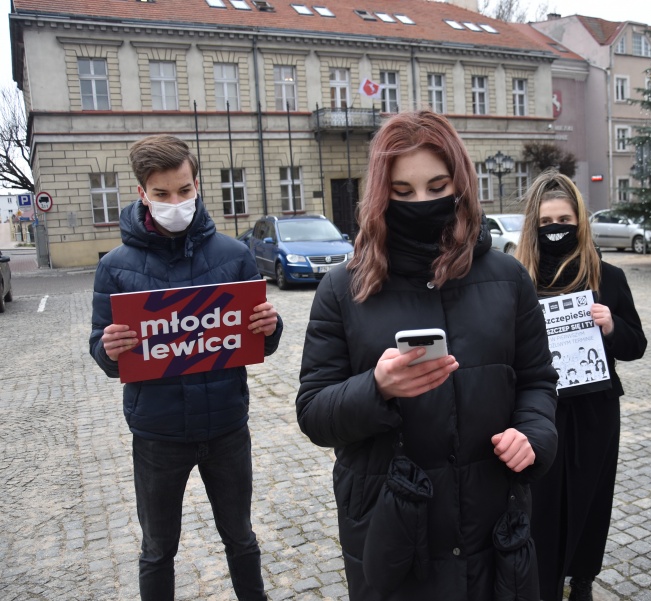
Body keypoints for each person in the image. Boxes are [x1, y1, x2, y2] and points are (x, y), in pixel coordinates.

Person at [296, 110, 558, 601]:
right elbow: (313, 413)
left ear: (460, 183)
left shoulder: (508, 278)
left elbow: (538, 381)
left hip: (491, 522)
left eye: (438, 186)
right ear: (380, 194)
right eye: (403, 191)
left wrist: (534, 435)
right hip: (393, 527)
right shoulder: (341, 288)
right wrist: (375, 389)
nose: (422, 202)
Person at [89, 134, 283, 601]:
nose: (175, 202)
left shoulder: (234, 256)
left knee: (240, 536)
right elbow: (102, 349)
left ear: (196, 186)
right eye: (162, 194)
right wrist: (108, 348)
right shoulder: (115, 267)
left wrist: (269, 325)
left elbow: (261, 342)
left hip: (226, 426)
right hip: (157, 432)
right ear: (142, 194)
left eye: (183, 190)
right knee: (158, 548)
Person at [515, 170, 647, 601]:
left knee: (592, 496)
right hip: (539, 409)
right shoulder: (519, 280)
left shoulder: (607, 276)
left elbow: (636, 345)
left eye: (565, 220)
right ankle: (544, 578)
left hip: (594, 408)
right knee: (543, 498)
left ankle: (583, 577)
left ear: (580, 221)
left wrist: (612, 326)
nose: (557, 229)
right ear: (535, 226)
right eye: (548, 221)